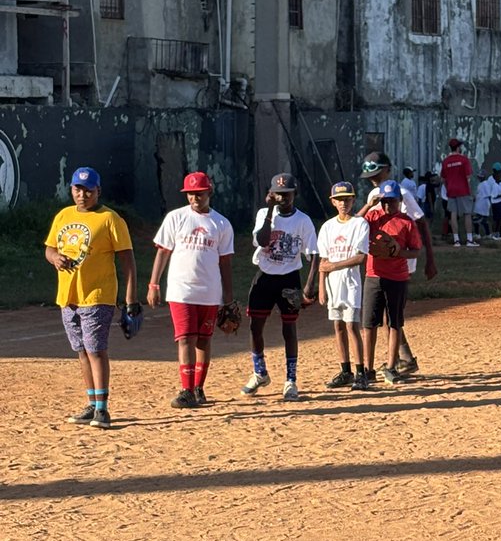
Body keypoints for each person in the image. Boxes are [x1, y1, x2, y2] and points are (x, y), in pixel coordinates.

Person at [44, 166, 139, 429]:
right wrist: (54, 258)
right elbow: (50, 248)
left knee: (96, 350)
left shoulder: (111, 219)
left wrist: (131, 298)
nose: (82, 194)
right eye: (78, 188)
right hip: (68, 295)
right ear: (71, 189)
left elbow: (128, 261)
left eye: (88, 189)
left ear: (98, 191)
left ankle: (102, 409)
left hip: (97, 294)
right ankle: (91, 403)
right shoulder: (63, 216)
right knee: (82, 351)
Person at [147, 170, 235, 409]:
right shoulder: (176, 218)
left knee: (204, 340)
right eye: (190, 194)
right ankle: (186, 390)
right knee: (185, 338)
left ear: (210, 192)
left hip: (209, 291)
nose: (195, 198)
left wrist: (228, 297)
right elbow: (163, 251)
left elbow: (225, 261)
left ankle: (198, 388)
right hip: (181, 289)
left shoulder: (221, 223)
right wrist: (154, 284)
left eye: (199, 193)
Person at [242, 172, 319, 402]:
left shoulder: (303, 220)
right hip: (265, 276)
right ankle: (260, 372)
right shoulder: (264, 214)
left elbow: (314, 254)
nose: (283, 198)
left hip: (289, 277)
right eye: (278, 193)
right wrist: (268, 211)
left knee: (289, 329)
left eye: (287, 194)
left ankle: (291, 380)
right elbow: (263, 241)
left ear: (295, 194)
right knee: (255, 326)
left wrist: (309, 285)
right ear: (271, 194)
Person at [358, 150, 437, 377]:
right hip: (378, 261)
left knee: (391, 315)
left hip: (401, 257)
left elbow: (420, 223)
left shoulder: (401, 193)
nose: (373, 178)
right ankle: (403, 359)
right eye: (370, 175)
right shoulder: (375, 195)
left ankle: (401, 361)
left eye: (377, 172)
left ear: (388, 168)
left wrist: (429, 259)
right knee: (383, 316)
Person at [362, 180, 422, 384]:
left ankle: (391, 367)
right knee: (369, 324)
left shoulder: (406, 222)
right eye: (385, 201)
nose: (388, 206)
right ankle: (367, 370)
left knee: (394, 322)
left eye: (393, 201)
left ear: (400, 200)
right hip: (374, 275)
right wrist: (369, 205)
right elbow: (353, 226)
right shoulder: (372, 217)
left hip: (397, 277)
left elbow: (415, 250)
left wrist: (399, 252)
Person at [318, 181, 370, 392]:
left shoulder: (359, 224)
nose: (343, 203)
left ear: (353, 200)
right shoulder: (328, 227)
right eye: (339, 199)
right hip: (333, 283)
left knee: (351, 325)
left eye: (347, 199)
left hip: (350, 282)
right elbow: (323, 261)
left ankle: (361, 372)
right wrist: (321, 286)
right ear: (332, 201)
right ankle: (345, 369)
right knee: (338, 326)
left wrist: (335, 265)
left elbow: (360, 258)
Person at [440, 137, 477, 249]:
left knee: (453, 214)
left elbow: (443, 179)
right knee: (467, 214)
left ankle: (456, 240)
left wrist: (448, 187)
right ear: (458, 147)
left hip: (451, 190)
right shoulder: (464, 160)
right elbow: (468, 176)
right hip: (463, 190)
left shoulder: (445, 161)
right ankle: (469, 239)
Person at [487, 162, 501, 240]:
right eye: (499, 170)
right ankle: (494, 233)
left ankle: (498, 233)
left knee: (500, 218)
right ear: (495, 171)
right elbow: (490, 193)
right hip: (493, 202)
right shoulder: (490, 180)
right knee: (495, 219)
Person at [473, 169, 492, 240]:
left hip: (482, 204)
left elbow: (488, 194)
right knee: (483, 221)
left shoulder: (485, 184)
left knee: (476, 219)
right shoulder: (481, 184)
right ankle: (488, 234)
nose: (479, 177)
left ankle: (477, 234)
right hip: (480, 204)